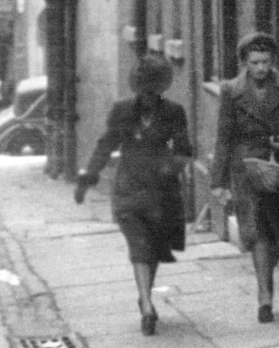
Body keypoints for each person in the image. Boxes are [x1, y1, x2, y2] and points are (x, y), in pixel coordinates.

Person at [74, 53, 192, 336]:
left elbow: (185, 150)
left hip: (161, 192)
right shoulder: (122, 111)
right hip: (130, 189)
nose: (148, 95)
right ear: (136, 87)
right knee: (139, 245)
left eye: (154, 89)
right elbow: (105, 145)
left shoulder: (174, 112)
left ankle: (144, 296)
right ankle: (148, 305)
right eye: (143, 89)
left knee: (153, 250)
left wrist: (172, 165)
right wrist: (87, 179)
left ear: (162, 87)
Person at [210, 32, 279, 324]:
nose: (261, 68)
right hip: (245, 169)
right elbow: (223, 138)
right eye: (254, 62)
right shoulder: (231, 90)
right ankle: (264, 297)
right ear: (244, 62)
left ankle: (264, 278)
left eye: (266, 62)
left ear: (273, 61)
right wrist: (217, 181)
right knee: (257, 231)